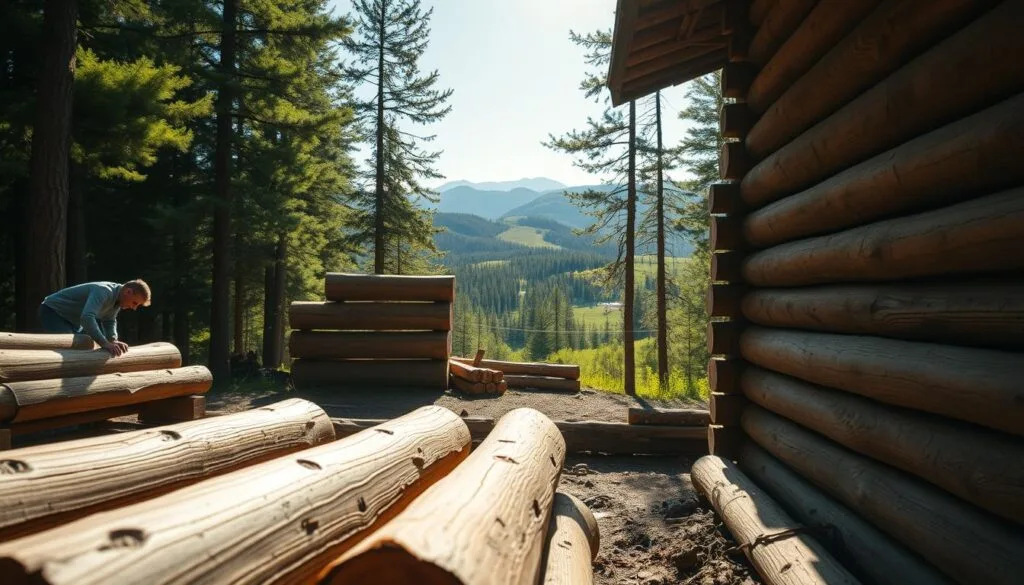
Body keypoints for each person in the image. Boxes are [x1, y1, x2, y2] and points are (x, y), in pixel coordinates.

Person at [38, 279, 151, 357]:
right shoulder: (104, 291)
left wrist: (112, 340)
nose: (134, 308)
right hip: (53, 311)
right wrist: (105, 343)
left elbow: (109, 320)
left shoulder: (118, 299)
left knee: (86, 347)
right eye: (135, 302)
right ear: (128, 292)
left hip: (73, 321)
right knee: (69, 351)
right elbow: (87, 317)